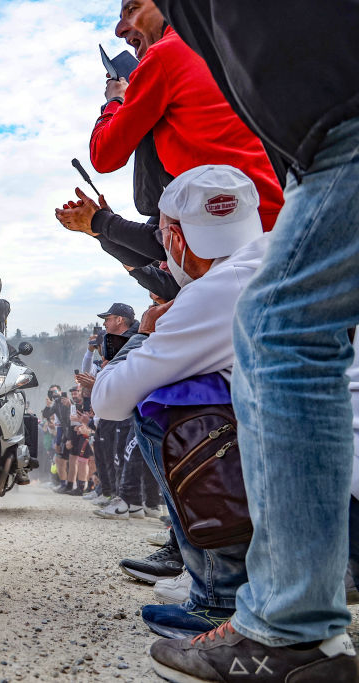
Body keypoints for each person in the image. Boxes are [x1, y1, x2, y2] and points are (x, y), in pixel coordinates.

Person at [143, 3, 359, 680]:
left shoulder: (165, 59)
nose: (124, 24)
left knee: (279, 332)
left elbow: (118, 396)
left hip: (340, 132)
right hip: (317, 148)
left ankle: (286, 622)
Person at [93, 166, 266, 642]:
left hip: (329, 529)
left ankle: (219, 597)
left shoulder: (214, 290)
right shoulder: (287, 256)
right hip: (342, 499)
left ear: (174, 236)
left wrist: (144, 332)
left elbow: (108, 399)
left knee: (166, 402)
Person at [89, 0, 284, 230]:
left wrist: (115, 100)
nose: (119, 29)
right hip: (275, 205)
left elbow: (103, 156)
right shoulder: (218, 40)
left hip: (236, 224)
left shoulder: (163, 55)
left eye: (132, 10)